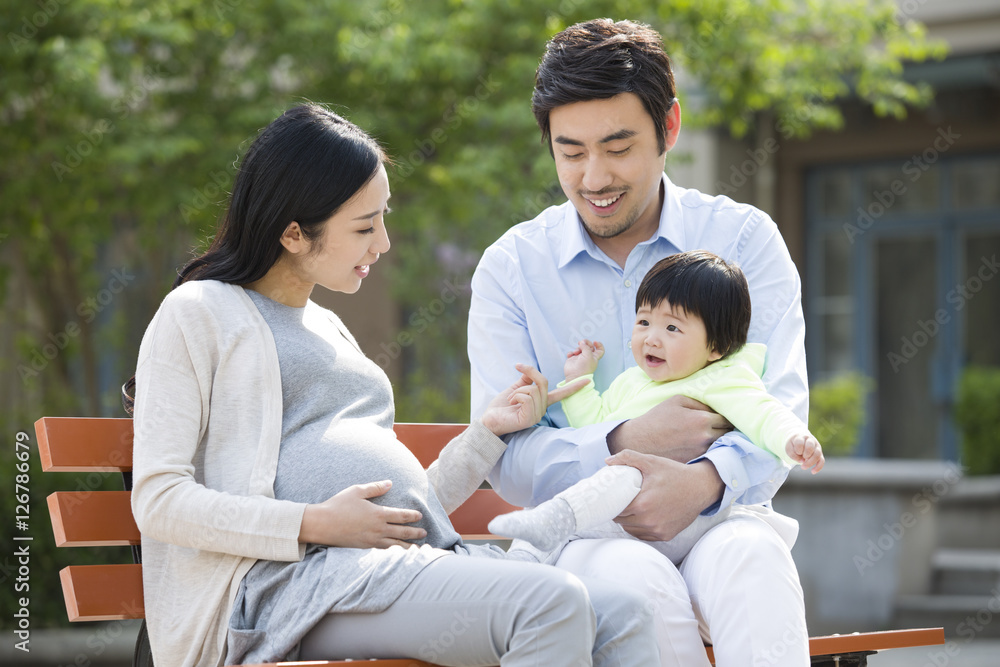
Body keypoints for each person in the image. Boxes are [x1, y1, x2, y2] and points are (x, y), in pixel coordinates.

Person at [130, 104, 659, 667]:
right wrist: (315, 525)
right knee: (548, 606)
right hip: (284, 590)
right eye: (364, 226)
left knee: (625, 613)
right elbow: (159, 502)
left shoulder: (328, 327)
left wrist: (491, 434)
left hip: (389, 566)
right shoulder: (201, 311)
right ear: (292, 232)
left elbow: (406, 510)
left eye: (382, 218)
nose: (382, 243)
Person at [468, 19, 811, 667]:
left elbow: (780, 402)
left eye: (618, 146)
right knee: (634, 581)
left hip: (720, 514)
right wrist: (624, 439)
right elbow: (507, 458)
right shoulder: (512, 269)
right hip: (587, 534)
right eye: (570, 151)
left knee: (754, 559)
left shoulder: (743, 241)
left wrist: (705, 480)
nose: (593, 176)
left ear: (669, 128)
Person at [488, 250, 824, 554]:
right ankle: (524, 555)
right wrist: (579, 379)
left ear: (716, 347)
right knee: (547, 537)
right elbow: (594, 423)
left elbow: (763, 413)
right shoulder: (632, 381)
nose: (651, 337)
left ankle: (551, 523)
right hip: (619, 516)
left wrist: (793, 438)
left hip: (679, 517)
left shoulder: (722, 379)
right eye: (644, 321)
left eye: (672, 328)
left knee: (622, 476)